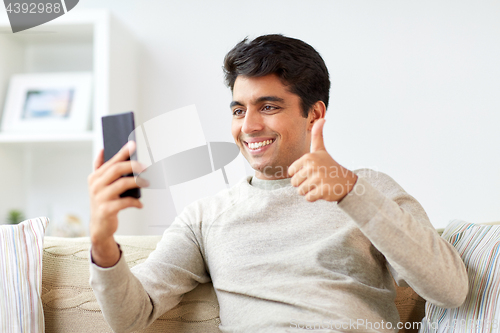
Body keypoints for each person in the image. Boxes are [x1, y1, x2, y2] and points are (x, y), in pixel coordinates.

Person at [88, 34, 468, 333]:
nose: (249, 126)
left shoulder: (369, 188)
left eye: (268, 107)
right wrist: (103, 242)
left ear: (314, 114)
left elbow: (450, 290)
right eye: (239, 110)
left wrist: (352, 192)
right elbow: (131, 316)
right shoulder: (204, 217)